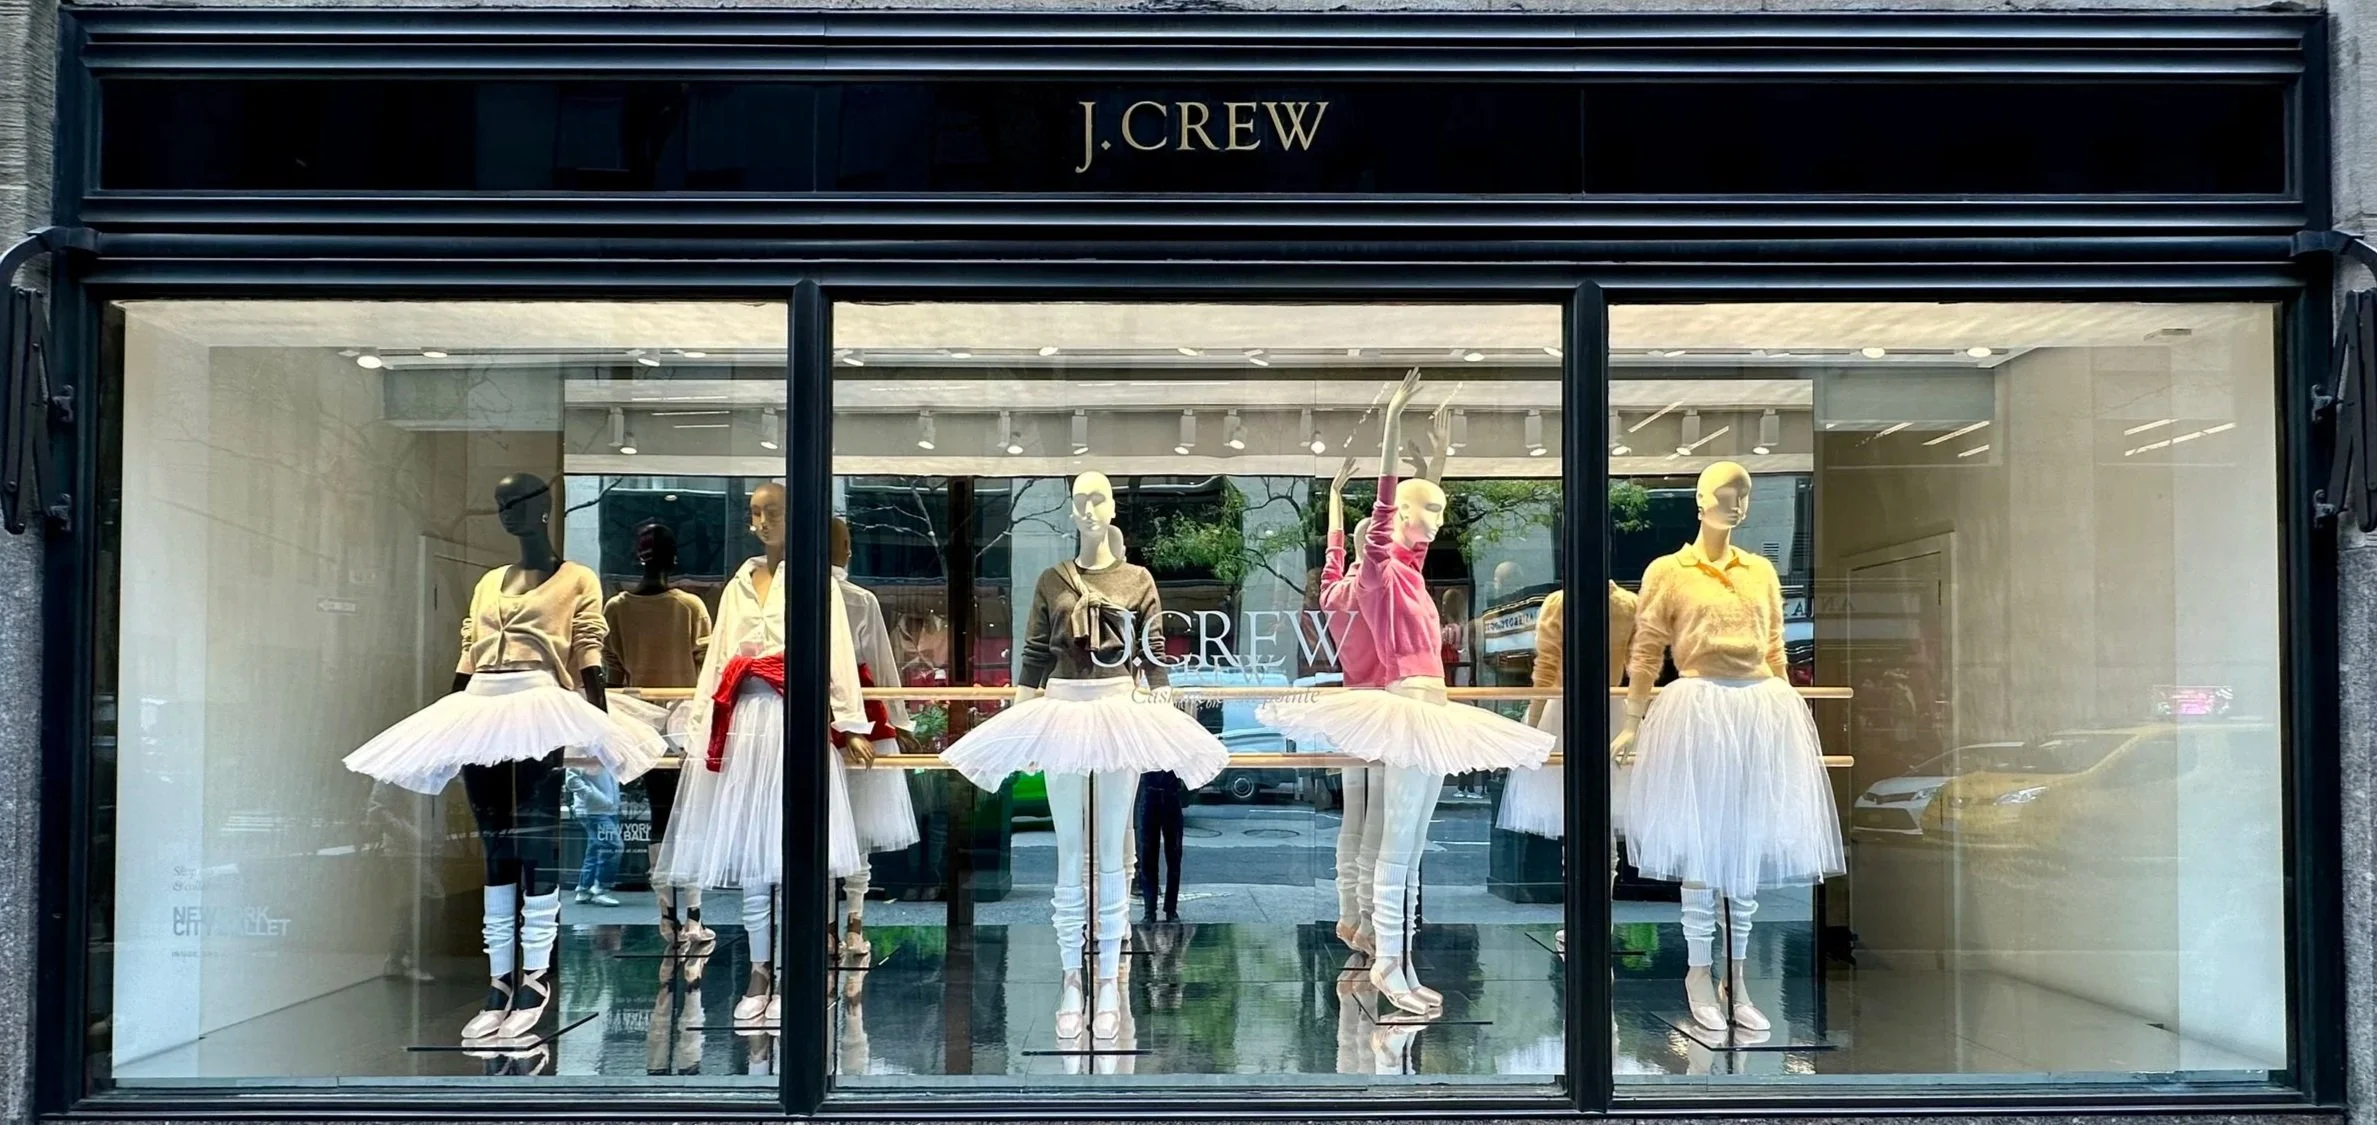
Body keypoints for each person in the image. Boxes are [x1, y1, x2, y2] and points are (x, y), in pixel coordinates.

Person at [567, 766, 625, 907]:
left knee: (595, 848)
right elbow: (572, 779)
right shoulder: (584, 747)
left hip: (604, 808)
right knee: (614, 847)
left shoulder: (608, 749)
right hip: (595, 810)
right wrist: (592, 796)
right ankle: (600, 889)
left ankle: (584, 888)